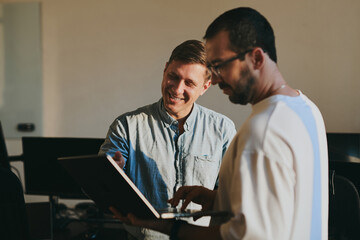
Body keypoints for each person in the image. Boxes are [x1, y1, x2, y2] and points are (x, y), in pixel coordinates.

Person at [110, 7, 329, 240]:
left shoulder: (261, 132)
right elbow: (284, 205)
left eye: (220, 65)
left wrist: (167, 227)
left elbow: (244, 237)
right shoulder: (308, 109)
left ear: (256, 58)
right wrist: (216, 199)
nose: (214, 79)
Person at [99, 39, 237, 239]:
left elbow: (232, 195)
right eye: (173, 76)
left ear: (205, 87)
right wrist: (110, 174)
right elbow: (101, 190)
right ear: (165, 70)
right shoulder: (126, 126)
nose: (177, 89)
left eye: (189, 83)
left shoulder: (223, 129)